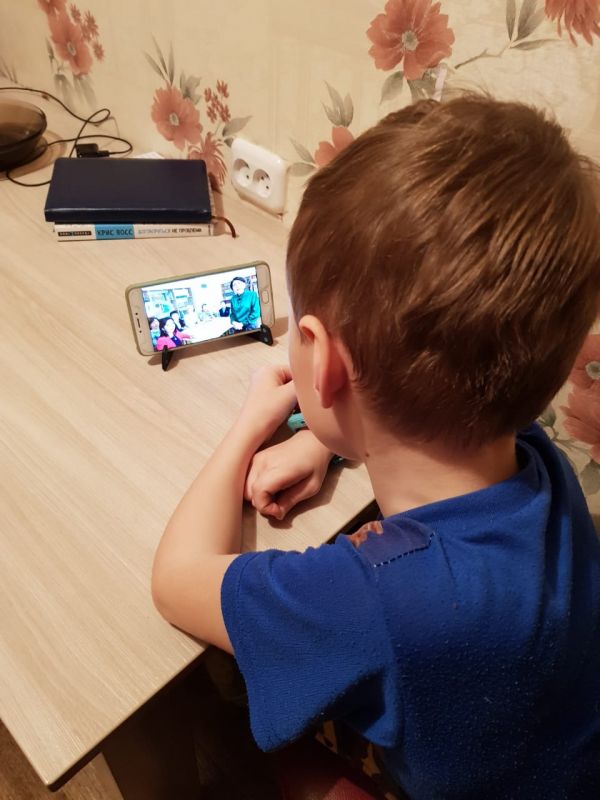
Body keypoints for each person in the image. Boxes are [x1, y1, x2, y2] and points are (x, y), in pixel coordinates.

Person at [151, 95, 600, 799]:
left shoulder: (370, 598)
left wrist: (248, 426)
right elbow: (429, 411)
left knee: (222, 713)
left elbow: (177, 580)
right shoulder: (534, 456)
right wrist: (327, 443)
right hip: (557, 757)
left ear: (322, 362)